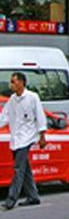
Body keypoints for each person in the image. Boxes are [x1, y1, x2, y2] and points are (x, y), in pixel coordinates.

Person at [1, 72, 47, 210]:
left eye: (13, 81)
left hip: (27, 137)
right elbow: (4, 117)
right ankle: (33, 196)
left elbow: (40, 116)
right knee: (25, 169)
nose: (11, 84)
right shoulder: (12, 100)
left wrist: (42, 135)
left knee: (18, 168)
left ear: (21, 82)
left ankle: (11, 198)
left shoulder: (33, 97)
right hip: (16, 138)